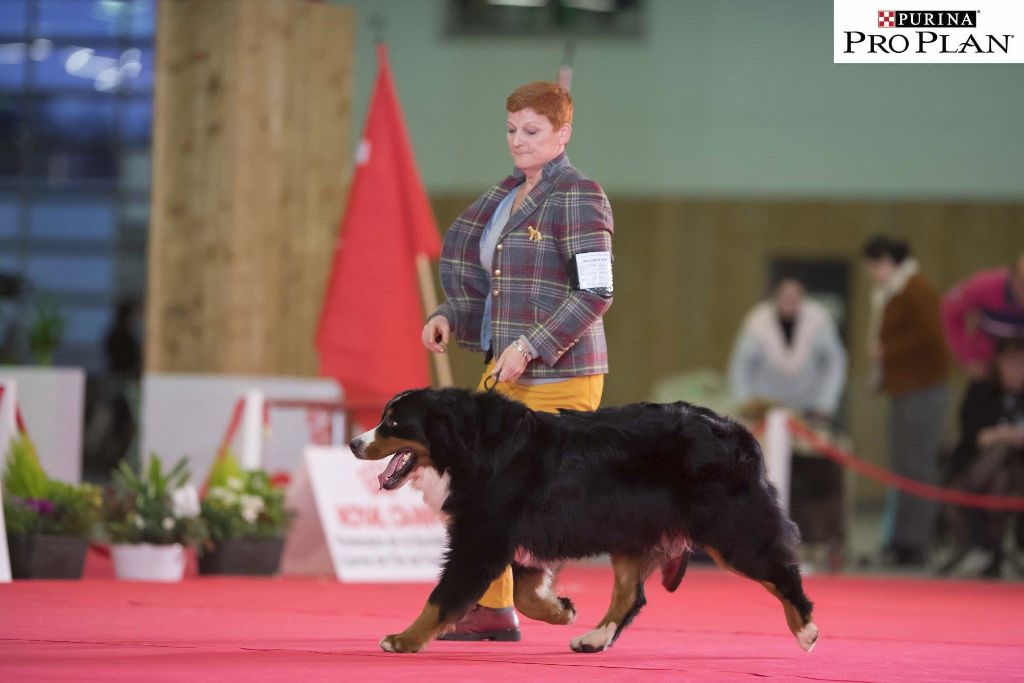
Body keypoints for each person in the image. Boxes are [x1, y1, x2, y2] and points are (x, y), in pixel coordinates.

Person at [420, 81, 614, 641]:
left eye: (532, 131)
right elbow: (491, 282)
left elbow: (596, 293)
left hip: (562, 372)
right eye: (511, 130)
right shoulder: (506, 198)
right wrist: (452, 313)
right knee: (485, 489)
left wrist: (531, 345)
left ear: (563, 133)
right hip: (502, 371)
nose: (518, 141)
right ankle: (494, 607)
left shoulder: (580, 195)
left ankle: (526, 589)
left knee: (533, 497)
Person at [863, 236, 952, 566]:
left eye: (873, 265)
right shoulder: (897, 292)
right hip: (905, 387)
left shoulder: (915, 290)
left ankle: (916, 542)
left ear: (885, 261)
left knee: (918, 465)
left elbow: (931, 337)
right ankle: (902, 539)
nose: (871, 273)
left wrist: (888, 351)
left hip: (923, 388)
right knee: (904, 466)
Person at [941, 338, 1024, 577]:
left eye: (1021, 362)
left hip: (1018, 473)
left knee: (1003, 462)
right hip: (977, 465)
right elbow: (972, 436)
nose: (1017, 368)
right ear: (998, 363)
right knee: (999, 471)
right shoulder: (980, 391)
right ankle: (992, 549)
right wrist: (1007, 436)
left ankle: (982, 540)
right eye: (1011, 362)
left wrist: (1001, 436)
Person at [729, 276, 847, 420]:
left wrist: (826, 403)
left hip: (809, 407)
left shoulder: (819, 320)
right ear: (775, 296)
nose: (789, 299)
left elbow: (835, 362)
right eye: (785, 295)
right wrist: (744, 400)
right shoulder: (757, 322)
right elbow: (741, 365)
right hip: (765, 407)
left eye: (794, 295)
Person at [941, 254, 1024, 379]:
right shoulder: (984, 285)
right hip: (988, 368)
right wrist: (967, 357)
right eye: (1022, 284)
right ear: (1012, 278)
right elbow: (950, 311)